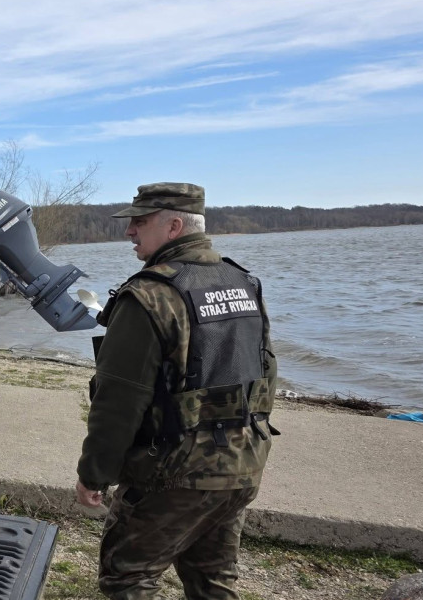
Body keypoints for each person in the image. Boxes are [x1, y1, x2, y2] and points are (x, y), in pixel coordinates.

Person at [74, 183, 279, 599]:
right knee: (213, 577)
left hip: (173, 475)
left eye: (140, 222)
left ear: (173, 226)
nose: (129, 231)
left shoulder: (149, 296)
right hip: (242, 465)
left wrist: (94, 474)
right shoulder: (243, 282)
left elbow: (118, 402)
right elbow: (267, 373)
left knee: (129, 576)